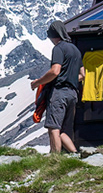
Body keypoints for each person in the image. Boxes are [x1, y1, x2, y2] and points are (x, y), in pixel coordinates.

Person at [30, 19, 81, 155]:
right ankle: (75, 154)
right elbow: (83, 74)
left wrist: (38, 83)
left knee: (53, 127)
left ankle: (55, 159)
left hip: (59, 92)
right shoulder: (75, 50)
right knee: (64, 130)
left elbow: (55, 71)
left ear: (54, 35)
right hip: (73, 93)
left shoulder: (59, 48)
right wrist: (70, 78)